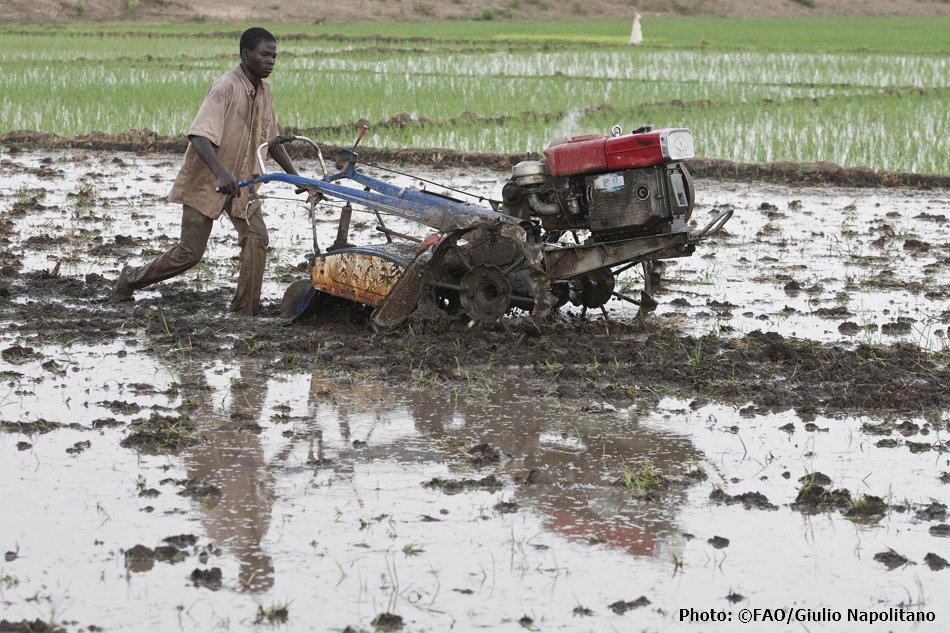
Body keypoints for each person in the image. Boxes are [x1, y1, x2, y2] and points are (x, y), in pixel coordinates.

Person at [114, 27, 298, 315]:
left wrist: (296, 177)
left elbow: (272, 141)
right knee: (189, 253)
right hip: (208, 181)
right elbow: (199, 135)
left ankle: (244, 311)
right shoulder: (225, 87)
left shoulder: (265, 92)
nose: (271, 61)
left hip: (243, 185)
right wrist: (221, 173)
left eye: (274, 56)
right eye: (265, 54)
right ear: (245, 54)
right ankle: (130, 279)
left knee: (256, 238)